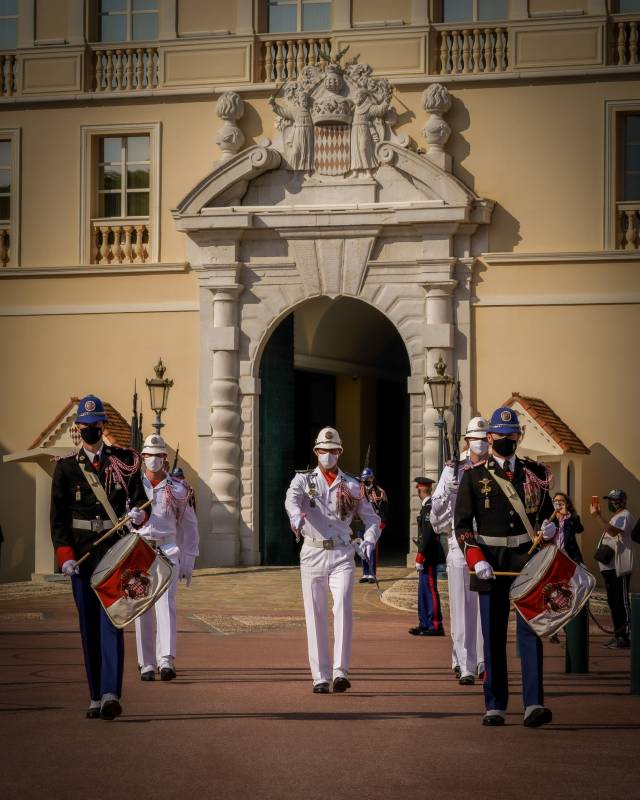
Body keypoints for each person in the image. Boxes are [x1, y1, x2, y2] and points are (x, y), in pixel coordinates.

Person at [454, 405, 555, 727]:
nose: (506, 440)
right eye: (500, 435)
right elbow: (462, 526)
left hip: (527, 560)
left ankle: (533, 704)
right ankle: (495, 704)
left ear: (518, 437)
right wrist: (476, 558)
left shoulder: (533, 474)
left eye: (512, 435)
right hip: (490, 562)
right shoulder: (474, 477)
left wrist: (551, 528)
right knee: (493, 634)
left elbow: (548, 514)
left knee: (530, 632)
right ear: (490, 436)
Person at [50, 395, 148, 720]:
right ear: (78, 428)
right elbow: (59, 518)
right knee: (88, 626)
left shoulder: (124, 460)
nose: (90, 430)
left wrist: (137, 515)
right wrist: (64, 556)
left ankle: (110, 694)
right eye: (86, 426)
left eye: (95, 426)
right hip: (81, 556)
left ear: (102, 426)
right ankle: (94, 695)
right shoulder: (65, 468)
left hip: (114, 553)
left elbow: (141, 501)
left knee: (113, 621)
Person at [284, 427, 381, 693]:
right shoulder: (303, 481)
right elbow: (291, 501)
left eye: (333, 451)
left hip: (342, 553)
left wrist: (369, 540)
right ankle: (320, 676)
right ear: (316, 452)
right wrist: (296, 518)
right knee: (315, 614)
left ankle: (340, 671)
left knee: (343, 608)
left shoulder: (352, 484)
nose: (328, 455)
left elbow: (372, 518)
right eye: (324, 451)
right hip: (313, 551)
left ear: (340, 452)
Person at [134, 434, 199, 681]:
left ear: (165, 459)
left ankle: (166, 659)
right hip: (139, 549)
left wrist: (189, 559)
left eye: (158, 456)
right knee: (141, 605)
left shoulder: (178, 489)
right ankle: (146, 662)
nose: (154, 460)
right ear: (142, 458)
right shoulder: (134, 487)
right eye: (149, 456)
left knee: (166, 604)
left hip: (167, 548)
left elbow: (190, 525)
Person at [430, 416, 488, 684]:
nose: (481, 443)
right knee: (462, 607)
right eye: (475, 439)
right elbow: (436, 519)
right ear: (466, 441)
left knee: (484, 607)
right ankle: (464, 663)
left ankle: (482, 660)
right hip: (459, 543)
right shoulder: (453, 470)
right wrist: (447, 494)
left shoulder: (494, 466)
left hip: (488, 544)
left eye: (484, 438)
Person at [590, 489, 635, 649]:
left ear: (623, 501)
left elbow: (612, 531)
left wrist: (597, 516)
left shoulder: (625, 515)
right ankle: (618, 634)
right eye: (610, 499)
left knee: (621, 602)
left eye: (615, 500)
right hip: (609, 568)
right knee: (613, 602)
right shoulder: (616, 516)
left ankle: (626, 635)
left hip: (619, 567)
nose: (612, 502)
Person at [408, 476, 445, 637]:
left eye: (418, 487)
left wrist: (420, 555)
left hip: (429, 555)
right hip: (425, 554)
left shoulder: (429, 507)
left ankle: (436, 624)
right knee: (423, 591)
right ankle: (424, 623)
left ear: (421, 489)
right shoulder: (426, 507)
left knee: (430, 590)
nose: (417, 490)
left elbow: (428, 534)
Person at [357, 467, 388, 584]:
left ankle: (372, 573)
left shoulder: (379, 491)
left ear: (372, 478)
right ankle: (365, 572)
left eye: (369, 478)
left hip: (374, 523)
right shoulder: (358, 490)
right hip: (362, 522)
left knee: (372, 548)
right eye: (365, 478)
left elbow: (384, 507)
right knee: (363, 547)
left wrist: (383, 522)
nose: (367, 480)